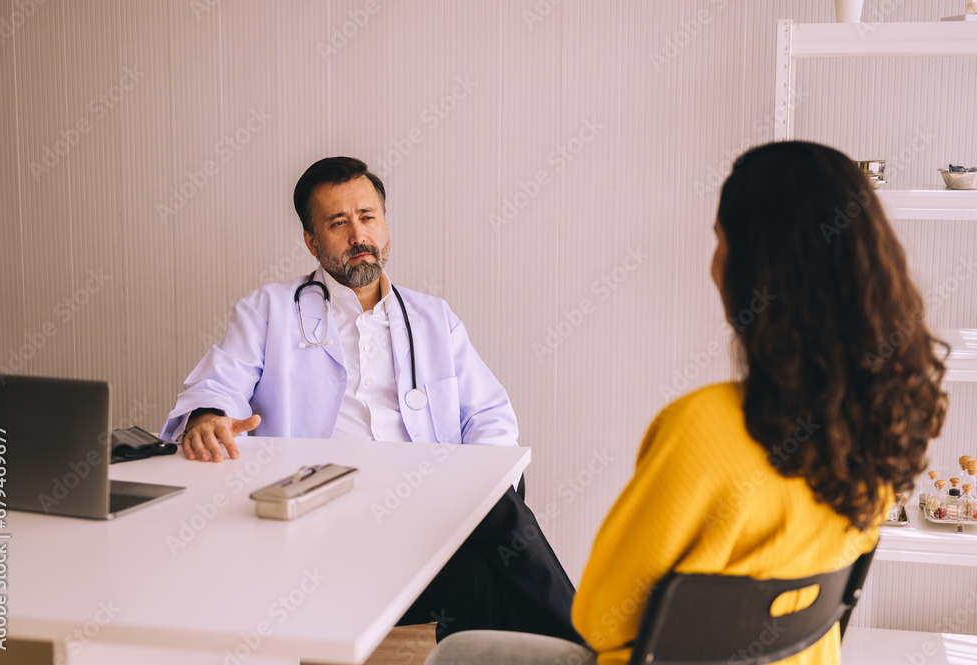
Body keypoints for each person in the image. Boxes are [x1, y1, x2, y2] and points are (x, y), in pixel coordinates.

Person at [424, 141, 948, 665]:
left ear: (756, 270)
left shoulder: (704, 427)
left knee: (460, 651)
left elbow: (599, 620)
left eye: (721, 241)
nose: (713, 264)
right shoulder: (887, 416)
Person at [160, 156, 580, 643]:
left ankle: (574, 650)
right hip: (322, 511)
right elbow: (218, 387)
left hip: (424, 509)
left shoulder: (433, 318)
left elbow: (489, 416)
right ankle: (590, 648)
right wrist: (210, 417)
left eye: (368, 217)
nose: (358, 235)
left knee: (493, 521)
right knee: (492, 555)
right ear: (312, 241)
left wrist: (475, 479)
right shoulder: (269, 311)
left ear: (384, 225)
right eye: (338, 223)